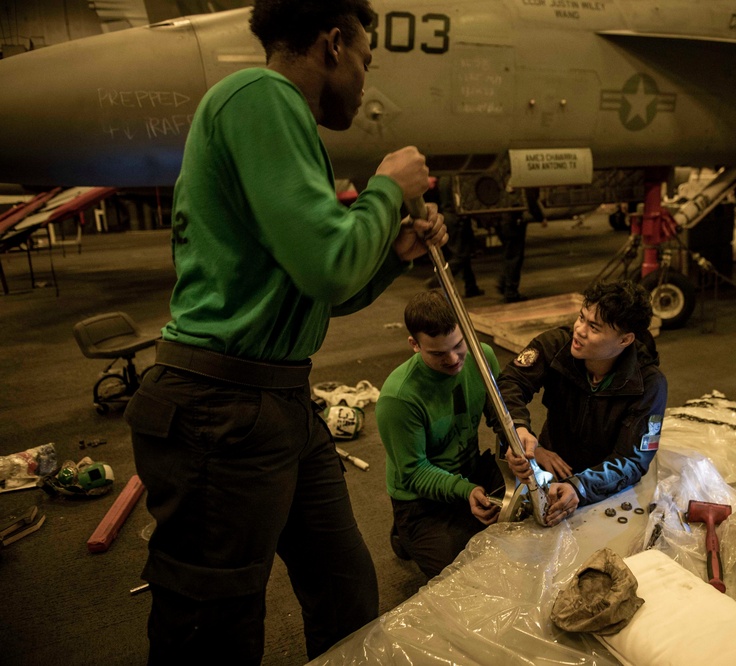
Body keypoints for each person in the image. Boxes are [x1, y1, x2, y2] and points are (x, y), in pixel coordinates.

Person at [122, 1, 447, 663]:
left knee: (345, 587)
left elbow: (320, 287)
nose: (365, 80)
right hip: (220, 406)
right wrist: (389, 188)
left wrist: (394, 253)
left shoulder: (277, 118)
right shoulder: (259, 97)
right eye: (364, 59)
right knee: (211, 627)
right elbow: (330, 266)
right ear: (332, 45)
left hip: (277, 402)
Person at [500, 280, 668, 526]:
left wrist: (579, 487)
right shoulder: (555, 345)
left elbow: (632, 460)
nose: (579, 330)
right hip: (550, 466)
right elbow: (508, 383)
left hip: (606, 487)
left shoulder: (649, 385)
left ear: (625, 340)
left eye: (594, 327)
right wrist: (521, 434)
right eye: (581, 317)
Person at [376, 290, 502, 577]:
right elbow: (413, 471)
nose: (454, 359)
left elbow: (501, 419)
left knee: (535, 512)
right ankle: (405, 533)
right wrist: (465, 491)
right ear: (414, 345)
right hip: (420, 500)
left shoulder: (483, 357)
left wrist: (522, 447)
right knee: (460, 575)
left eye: (459, 345)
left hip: (471, 473)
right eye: (438, 353)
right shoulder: (398, 397)